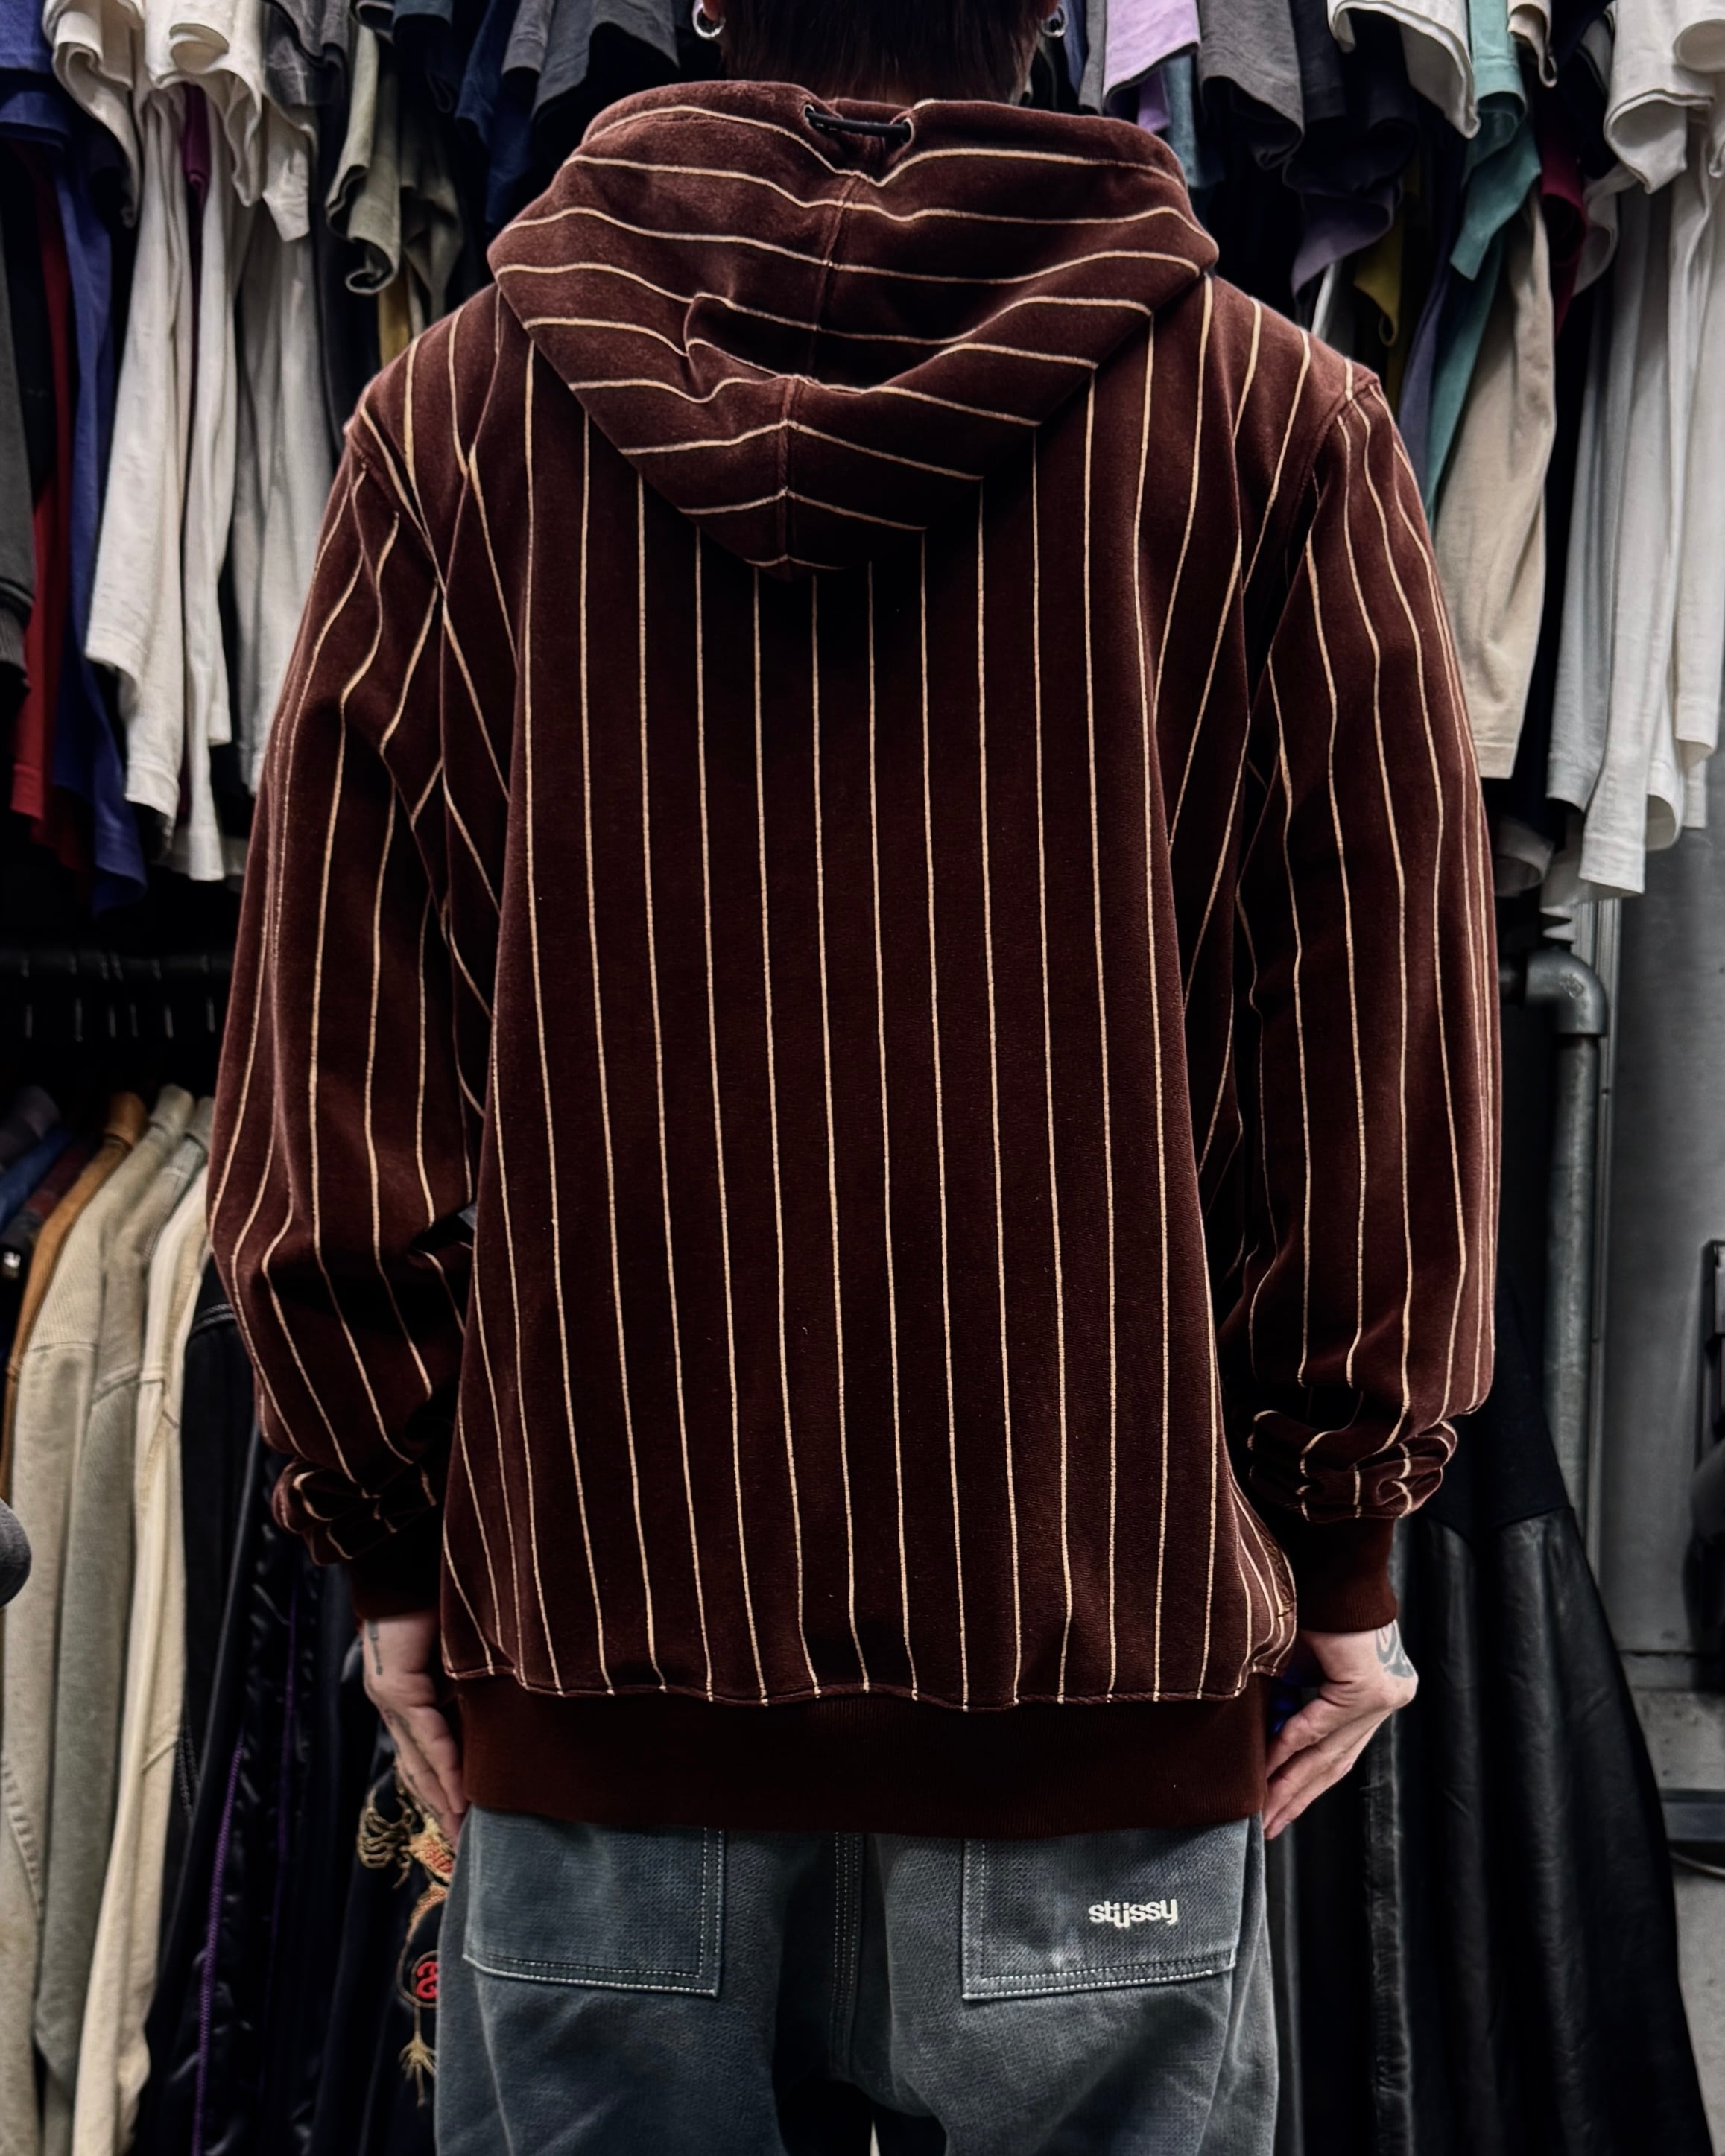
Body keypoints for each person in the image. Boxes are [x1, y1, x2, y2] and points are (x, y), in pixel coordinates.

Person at [209, 0, 1498, 2146]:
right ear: (1054, 16)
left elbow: (337, 1071)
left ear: (706, 5)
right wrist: (1346, 1553)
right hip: (1094, 1664)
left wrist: (392, 1557)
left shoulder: (456, 419)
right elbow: (1371, 1057)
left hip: (603, 1662)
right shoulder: (1275, 421)